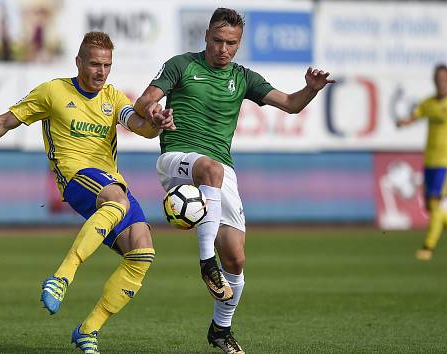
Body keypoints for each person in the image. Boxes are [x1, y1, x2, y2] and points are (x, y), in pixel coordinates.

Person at [0, 31, 174, 353]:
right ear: (78, 62)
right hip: (75, 179)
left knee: (142, 252)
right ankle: (62, 277)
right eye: (95, 64)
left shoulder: (113, 97)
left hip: (111, 181)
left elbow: (139, 126)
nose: (101, 72)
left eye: (107, 65)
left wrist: (156, 120)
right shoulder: (53, 91)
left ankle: (88, 330)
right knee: (118, 201)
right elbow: (4, 123)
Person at [134, 8, 334, 354]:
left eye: (231, 43)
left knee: (237, 260)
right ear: (206, 37)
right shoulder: (182, 65)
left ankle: (220, 330)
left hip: (220, 172)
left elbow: (289, 104)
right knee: (212, 170)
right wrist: (154, 111)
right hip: (177, 160)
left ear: (238, 45)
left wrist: (311, 89)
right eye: (217, 40)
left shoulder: (244, 78)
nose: (223, 48)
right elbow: (144, 101)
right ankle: (205, 262)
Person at [396, 63, 447, 261]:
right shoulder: (428, 103)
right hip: (430, 159)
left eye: (444, 78)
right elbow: (414, 116)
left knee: (435, 202)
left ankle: (428, 247)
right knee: (431, 207)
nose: (440, 81)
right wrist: (403, 122)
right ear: (434, 80)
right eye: (437, 78)